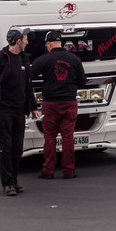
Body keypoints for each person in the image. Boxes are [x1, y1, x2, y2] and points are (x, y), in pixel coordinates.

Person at [0, 27, 40, 196]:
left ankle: (14, 181)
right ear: (17, 41)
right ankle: (7, 184)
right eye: (25, 39)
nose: (28, 41)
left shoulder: (24, 59)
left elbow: (29, 86)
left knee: (17, 148)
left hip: (19, 111)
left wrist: (33, 107)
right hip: (5, 111)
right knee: (5, 148)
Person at [31, 30, 86, 179]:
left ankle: (48, 171)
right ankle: (69, 170)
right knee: (68, 136)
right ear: (61, 43)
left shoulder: (43, 59)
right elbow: (82, 81)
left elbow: (29, 76)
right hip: (69, 101)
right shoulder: (74, 59)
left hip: (50, 103)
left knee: (50, 137)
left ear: (49, 44)